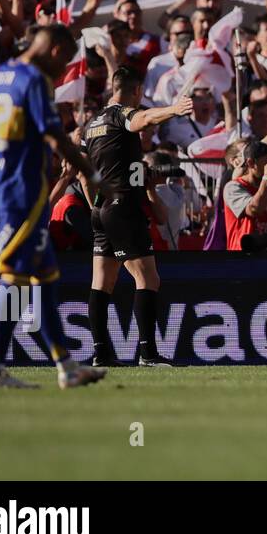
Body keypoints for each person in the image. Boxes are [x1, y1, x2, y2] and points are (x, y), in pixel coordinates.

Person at [0, 24, 108, 390]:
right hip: (23, 193)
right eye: (65, 60)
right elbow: (57, 140)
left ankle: (66, 367)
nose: (64, 68)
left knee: (44, 277)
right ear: (54, 50)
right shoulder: (34, 81)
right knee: (13, 280)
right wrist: (93, 176)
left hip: (5, 189)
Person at [84, 66, 193, 368]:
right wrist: (174, 108)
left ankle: (101, 353)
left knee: (102, 283)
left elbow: (84, 171)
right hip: (123, 207)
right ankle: (148, 354)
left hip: (100, 207)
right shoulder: (121, 114)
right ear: (134, 91)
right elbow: (141, 120)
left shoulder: (91, 124)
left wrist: (94, 203)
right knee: (148, 278)